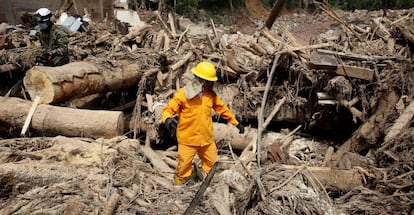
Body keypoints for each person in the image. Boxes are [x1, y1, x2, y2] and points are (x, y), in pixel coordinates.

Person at [162, 61, 244, 185]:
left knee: (212, 163)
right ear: (199, 80)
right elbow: (168, 109)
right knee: (184, 166)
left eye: (211, 82)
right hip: (187, 139)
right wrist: (167, 119)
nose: (210, 85)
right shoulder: (183, 95)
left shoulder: (210, 96)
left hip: (206, 139)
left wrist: (236, 122)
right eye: (208, 82)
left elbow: (222, 109)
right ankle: (178, 186)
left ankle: (208, 186)